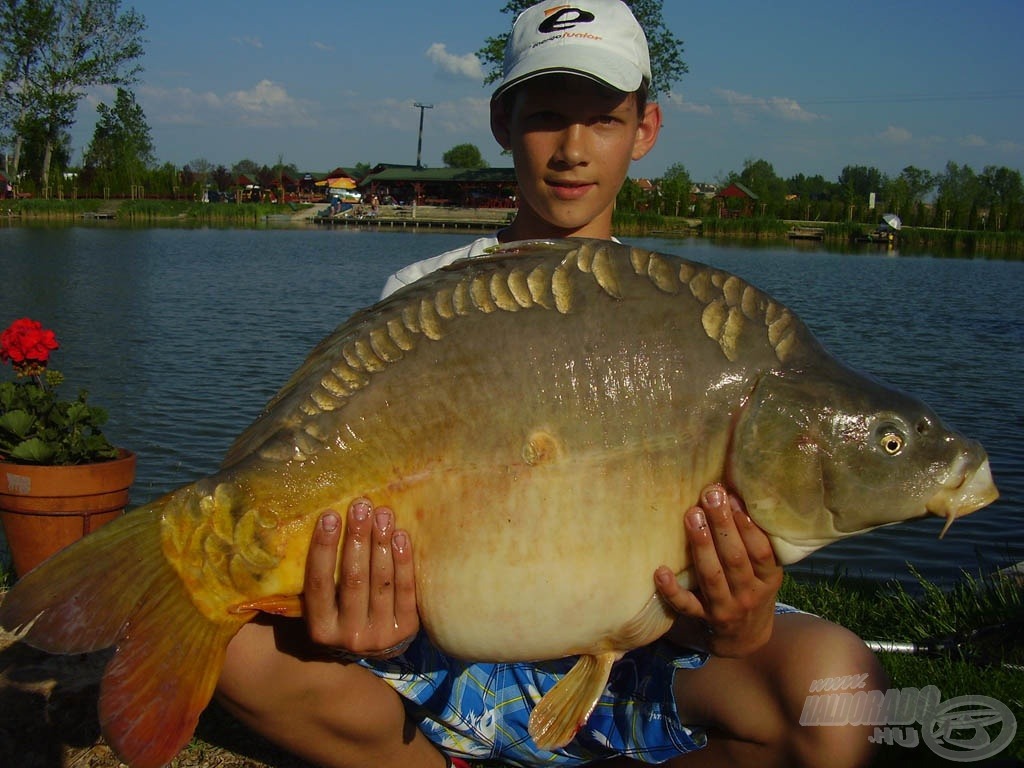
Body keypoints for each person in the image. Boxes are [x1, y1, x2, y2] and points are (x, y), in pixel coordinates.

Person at [215, 2, 885, 767]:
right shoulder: (423, 296)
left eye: (602, 120)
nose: (573, 150)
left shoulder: (687, 324)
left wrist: (741, 622)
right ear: (503, 121)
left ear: (645, 130)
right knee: (240, 655)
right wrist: (373, 607)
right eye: (546, 118)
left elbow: (694, 603)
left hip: (635, 653)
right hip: (447, 654)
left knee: (841, 693)